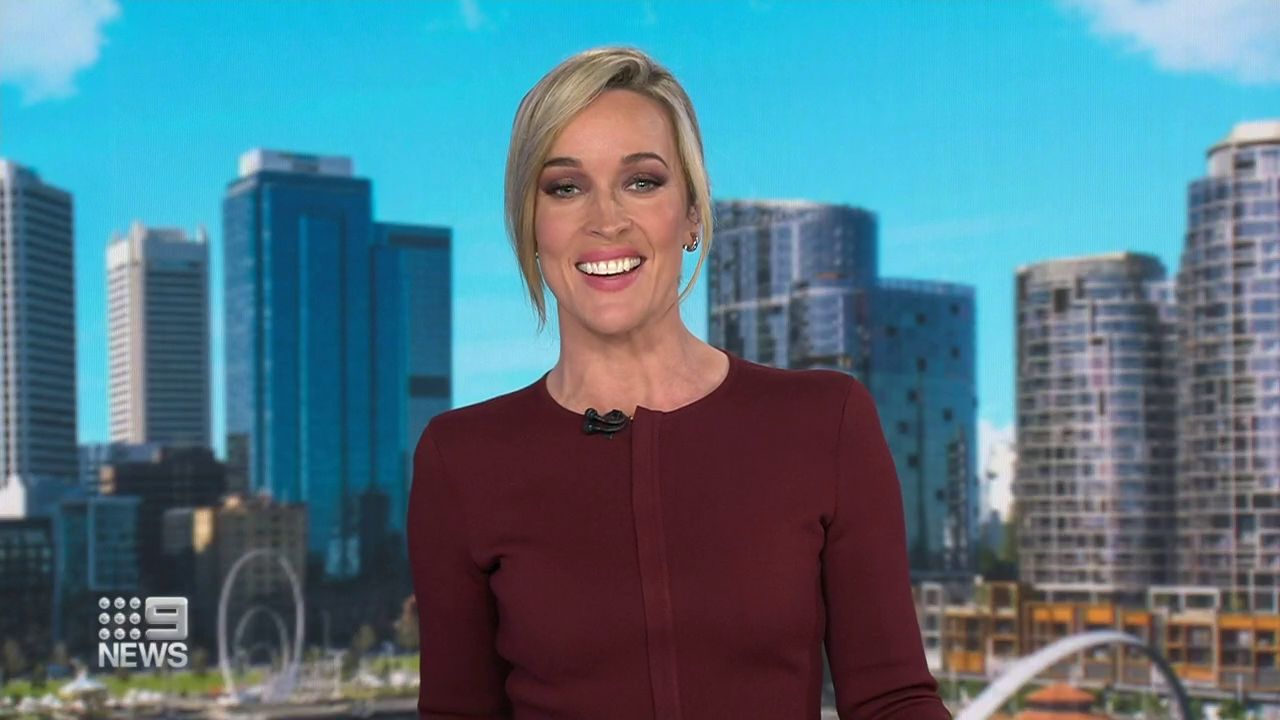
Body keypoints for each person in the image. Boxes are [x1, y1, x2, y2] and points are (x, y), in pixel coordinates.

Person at [407, 45, 951, 720]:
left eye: (642, 182)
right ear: (530, 224)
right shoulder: (461, 459)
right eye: (566, 187)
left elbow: (893, 701)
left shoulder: (825, 422)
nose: (606, 219)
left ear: (692, 214)